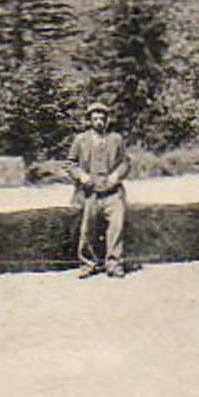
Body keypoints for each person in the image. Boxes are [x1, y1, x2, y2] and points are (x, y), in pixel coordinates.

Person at [67, 102, 129, 278]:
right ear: (89, 121)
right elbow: (70, 164)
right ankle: (88, 264)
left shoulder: (116, 139)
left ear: (107, 120)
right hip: (90, 191)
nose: (99, 122)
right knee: (87, 230)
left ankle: (114, 265)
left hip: (113, 191)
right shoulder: (80, 140)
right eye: (95, 118)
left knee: (116, 228)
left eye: (102, 118)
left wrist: (117, 174)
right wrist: (81, 176)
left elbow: (126, 161)